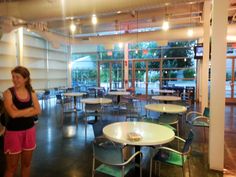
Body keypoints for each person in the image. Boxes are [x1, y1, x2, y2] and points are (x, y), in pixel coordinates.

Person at [3, 66, 41, 177]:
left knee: (26, 164)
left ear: (25, 79)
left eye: (17, 77)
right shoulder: (8, 93)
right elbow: (13, 114)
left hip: (29, 131)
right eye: (13, 77)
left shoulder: (31, 92)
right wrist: (30, 109)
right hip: (13, 133)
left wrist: (21, 111)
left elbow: (38, 110)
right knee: (11, 168)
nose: (14, 79)